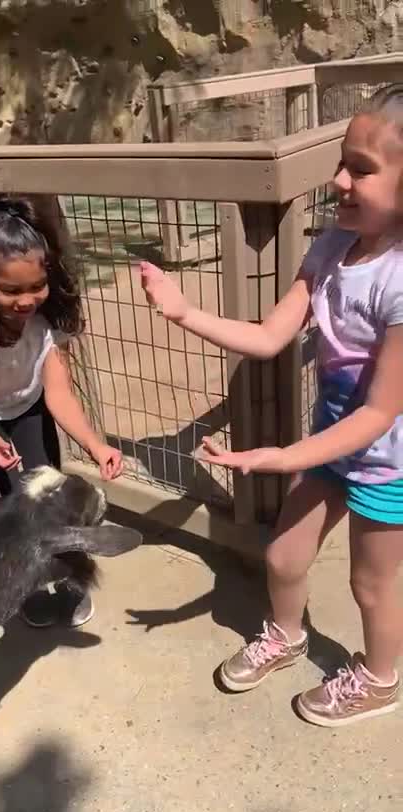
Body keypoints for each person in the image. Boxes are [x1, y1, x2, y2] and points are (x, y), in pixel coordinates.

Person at [141, 83, 403, 727]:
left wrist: (281, 454)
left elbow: (379, 414)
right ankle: (287, 636)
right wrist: (183, 311)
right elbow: (268, 336)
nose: (339, 179)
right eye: (342, 161)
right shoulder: (330, 249)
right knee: (285, 554)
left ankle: (380, 677)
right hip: (330, 446)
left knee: (372, 585)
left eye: (362, 170)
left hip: (386, 462)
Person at [0, 194, 122, 628]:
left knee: (49, 497)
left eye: (35, 286)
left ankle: (68, 576)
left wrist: (94, 444)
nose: (26, 300)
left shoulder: (46, 317)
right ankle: (24, 584)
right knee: (9, 504)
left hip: (30, 409)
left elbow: (57, 391)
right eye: (10, 290)